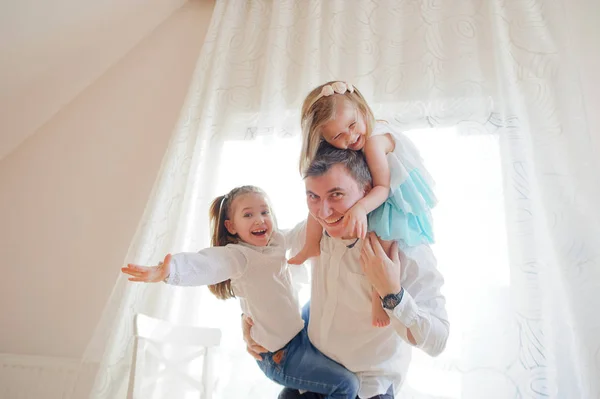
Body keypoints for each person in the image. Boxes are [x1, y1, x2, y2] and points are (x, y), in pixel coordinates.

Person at [244, 145, 449, 399]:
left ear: (366, 191)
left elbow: (439, 340)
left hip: (368, 391)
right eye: (313, 197)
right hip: (311, 381)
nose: (324, 212)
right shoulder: (315, 231)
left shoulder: (405, 248)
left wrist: (392, 294)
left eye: (336, 195)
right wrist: (251, 321)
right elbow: (257, 262)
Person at [121, 185, 359, 398]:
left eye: (265, 212)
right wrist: (167, 271)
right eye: (248, 215)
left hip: (297, 336)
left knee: (319, 303)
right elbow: (207, 264)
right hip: (279, 356)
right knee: (346, 385)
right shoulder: (238, 256)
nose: (260, 220)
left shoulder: (276, 241)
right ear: (231, 226)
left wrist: (325, 205)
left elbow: (303, 231)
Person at [289, 81, 437, 328]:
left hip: (392, 196)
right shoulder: (349, 146)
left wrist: (359, 208)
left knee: (379, 238)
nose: (350, 137)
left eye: (352, 125)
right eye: (338, 136)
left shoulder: (373, 142)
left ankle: (380, 297)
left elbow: (383, 188)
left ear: (361, 109)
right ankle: (310, 246)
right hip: (372, 190)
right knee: (317, 205)